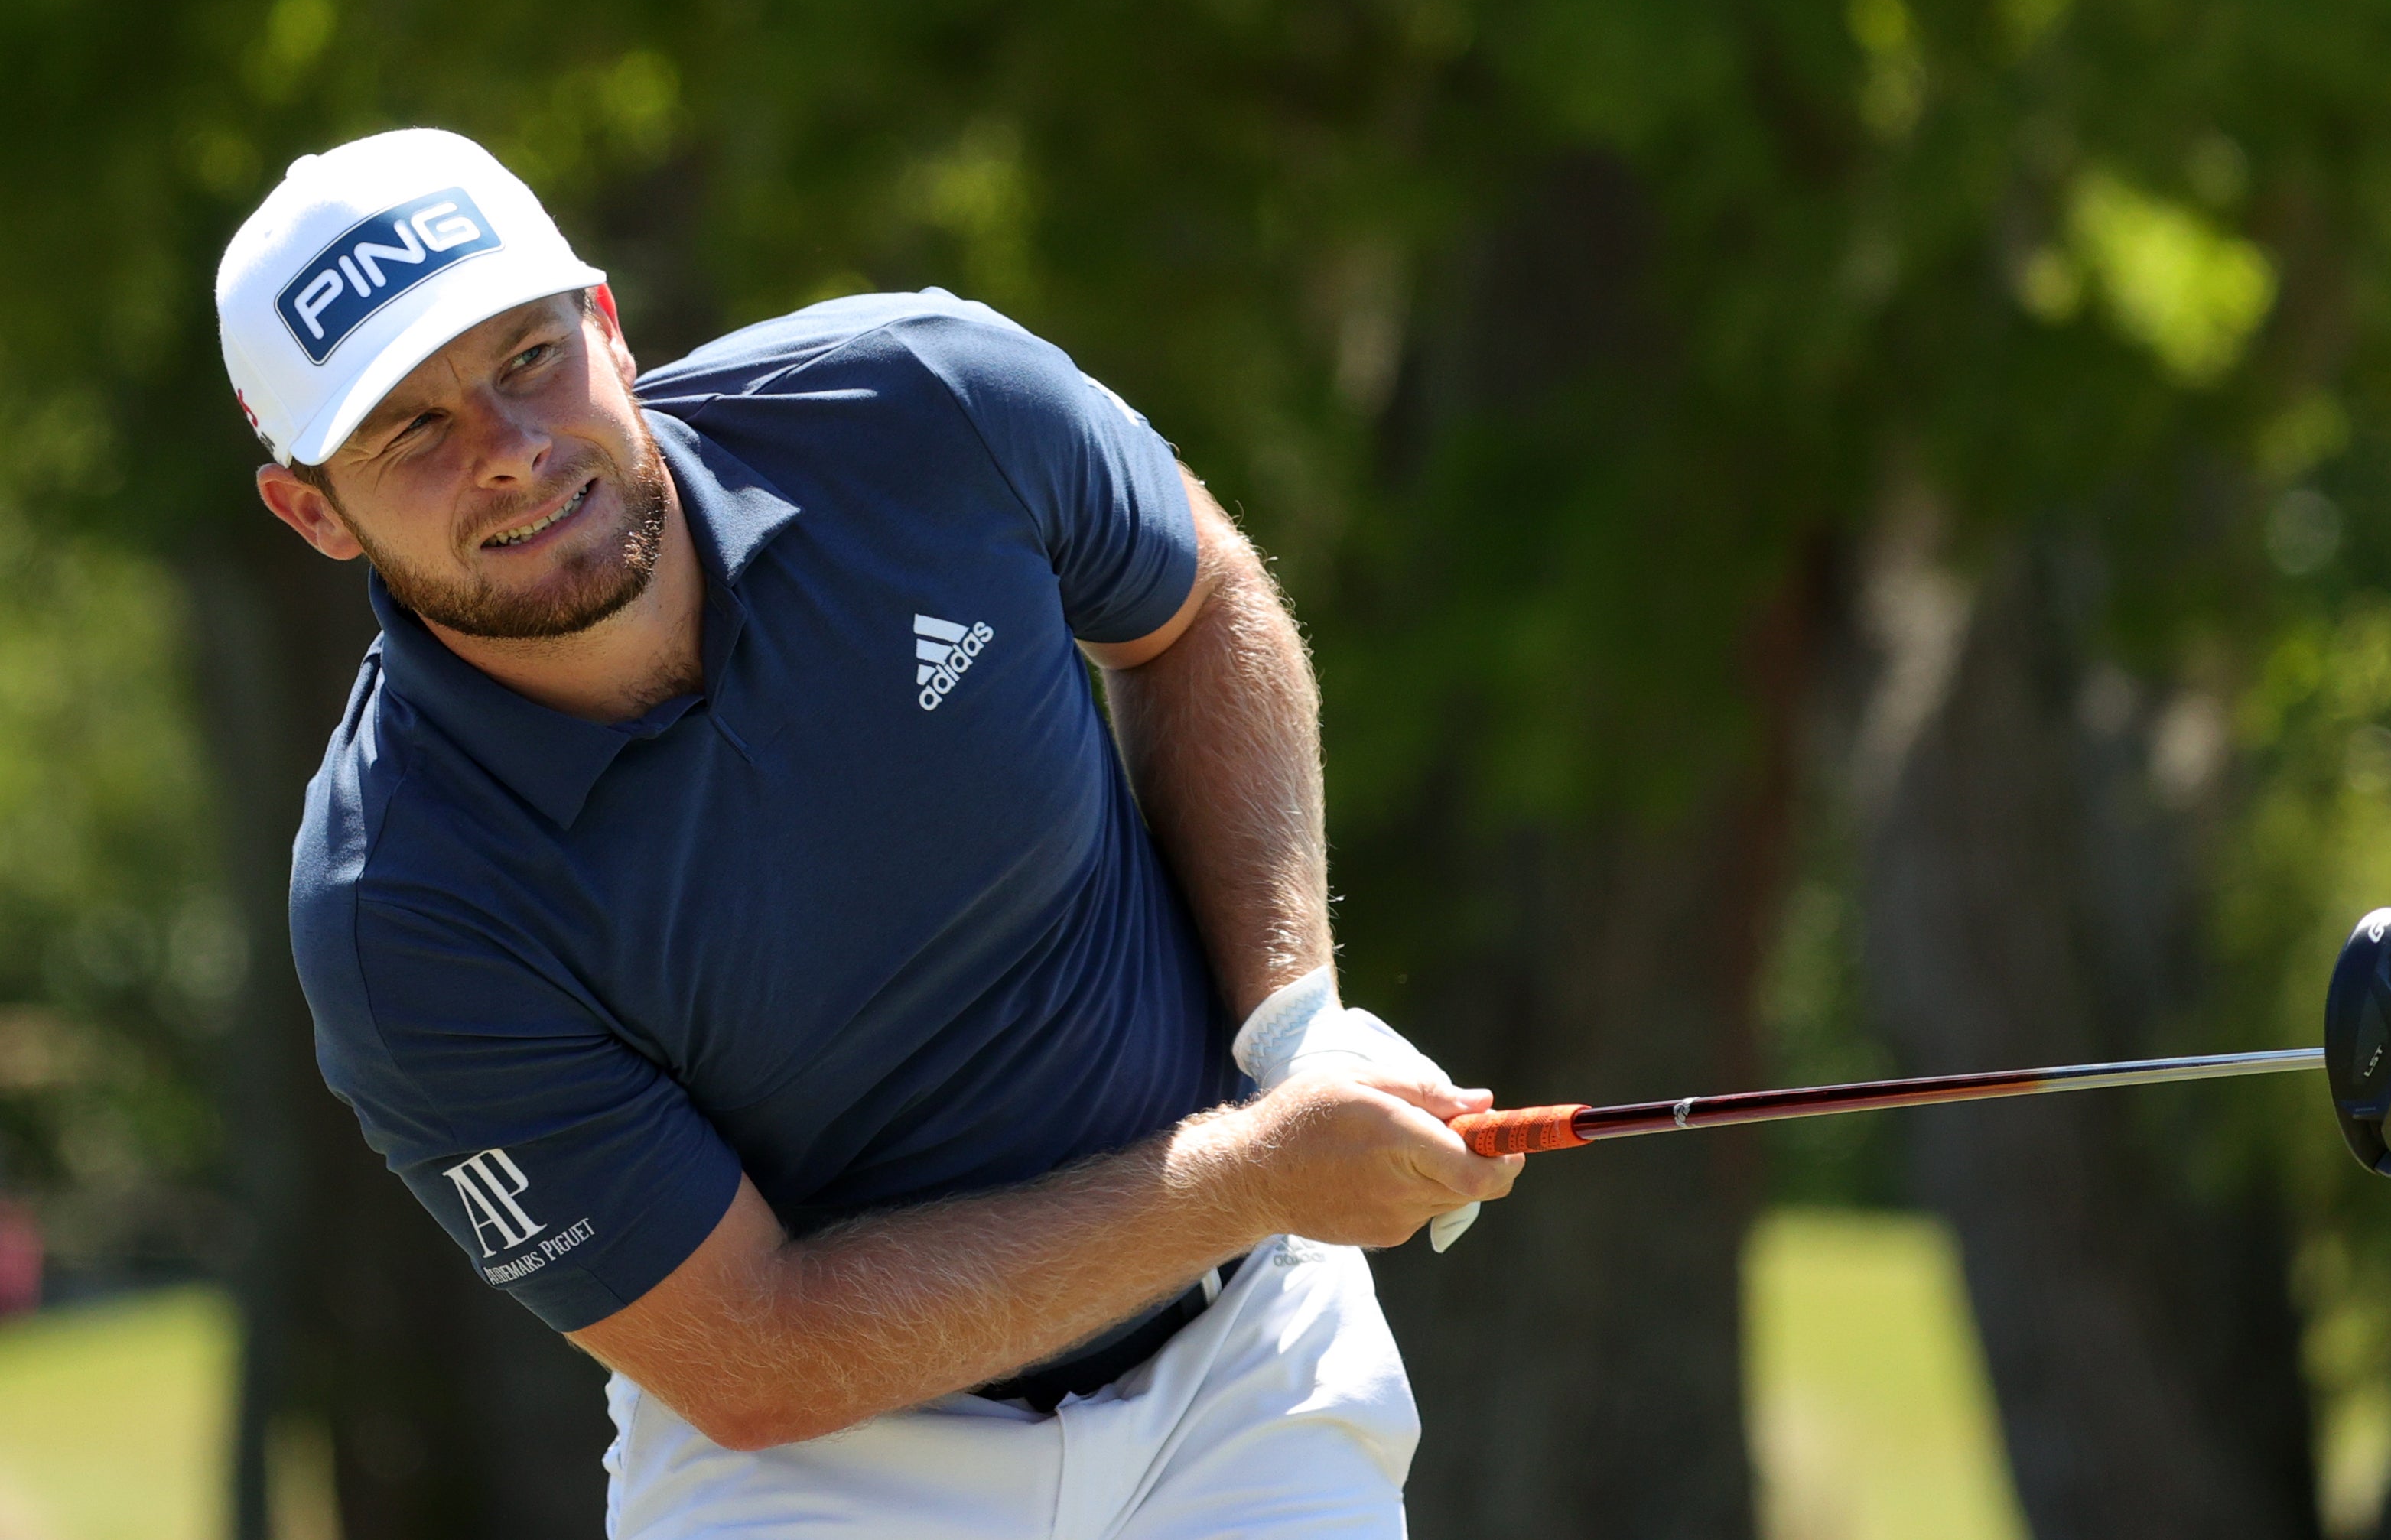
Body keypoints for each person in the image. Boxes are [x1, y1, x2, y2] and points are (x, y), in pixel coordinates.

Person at [214, 128, 1518, 1536]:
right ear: (311, 510)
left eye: (528, 358)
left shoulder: (920, 401)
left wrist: (1293, 1030)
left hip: (1245, 1374)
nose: (512, 454)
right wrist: (1257, 1169)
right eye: (411, 429)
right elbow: (759, 1356)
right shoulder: (398, 905)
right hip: (820, 1464)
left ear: (607, 321)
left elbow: (1194, 608)